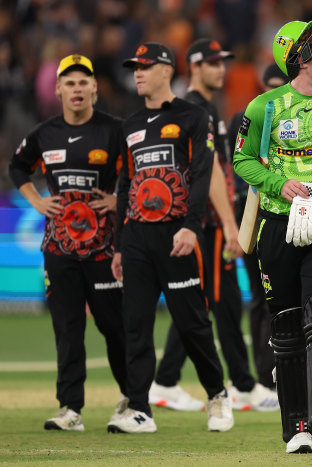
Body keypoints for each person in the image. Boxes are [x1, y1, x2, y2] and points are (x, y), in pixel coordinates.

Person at [233, 20, 312, 454]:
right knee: (286, 330)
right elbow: (243, 161)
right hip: (276, 226)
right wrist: (277, 184)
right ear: (301, 58)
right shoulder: (264, 108)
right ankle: (297, 428)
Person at [107, 42, 233, 433]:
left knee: (192, 322)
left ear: (166, 70)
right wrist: (118, 243)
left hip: (177, 234)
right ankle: (140, 408)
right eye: (135, 67)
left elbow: (201, 173)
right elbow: (125, 185)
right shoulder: (128, 126)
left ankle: (217, 395)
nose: (137, 73)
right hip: (136, 237)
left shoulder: (193, 116)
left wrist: (191, 227)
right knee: (136, 324)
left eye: (145, 66)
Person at [149, 38, 278, 413]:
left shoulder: (205, 107)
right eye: (212, 63)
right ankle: (240, 385)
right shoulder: (192, 108)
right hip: (205, 220)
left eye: (223, 62)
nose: (221, 69)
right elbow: (205, 172)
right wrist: (225, 221)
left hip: (206, 218)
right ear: (193, 66)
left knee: (207, 301)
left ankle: (169, 379)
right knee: (222, 300)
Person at [8, 54, 128, 431]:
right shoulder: (44, 133)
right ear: (57, 89)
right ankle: (70, 409)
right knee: (67, 327)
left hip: (104, 250)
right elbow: (16, 167)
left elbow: (139, 169)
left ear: (95, 87)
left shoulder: (114, 130)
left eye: (83, 82)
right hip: (58, 248)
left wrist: (117, 200)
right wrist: (37, 199)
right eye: (69, 83)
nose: (76, 89)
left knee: (113, 326)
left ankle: (133, 400)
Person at [227, 63, 289, 393]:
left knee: (281, 296)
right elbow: (233, 166)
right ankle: (264, 379)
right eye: (272, 86)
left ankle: (284, 370)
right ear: (263, 85)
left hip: (285, 212)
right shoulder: (246, 118)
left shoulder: (302, 116)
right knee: (260, 296)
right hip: (250, 210)